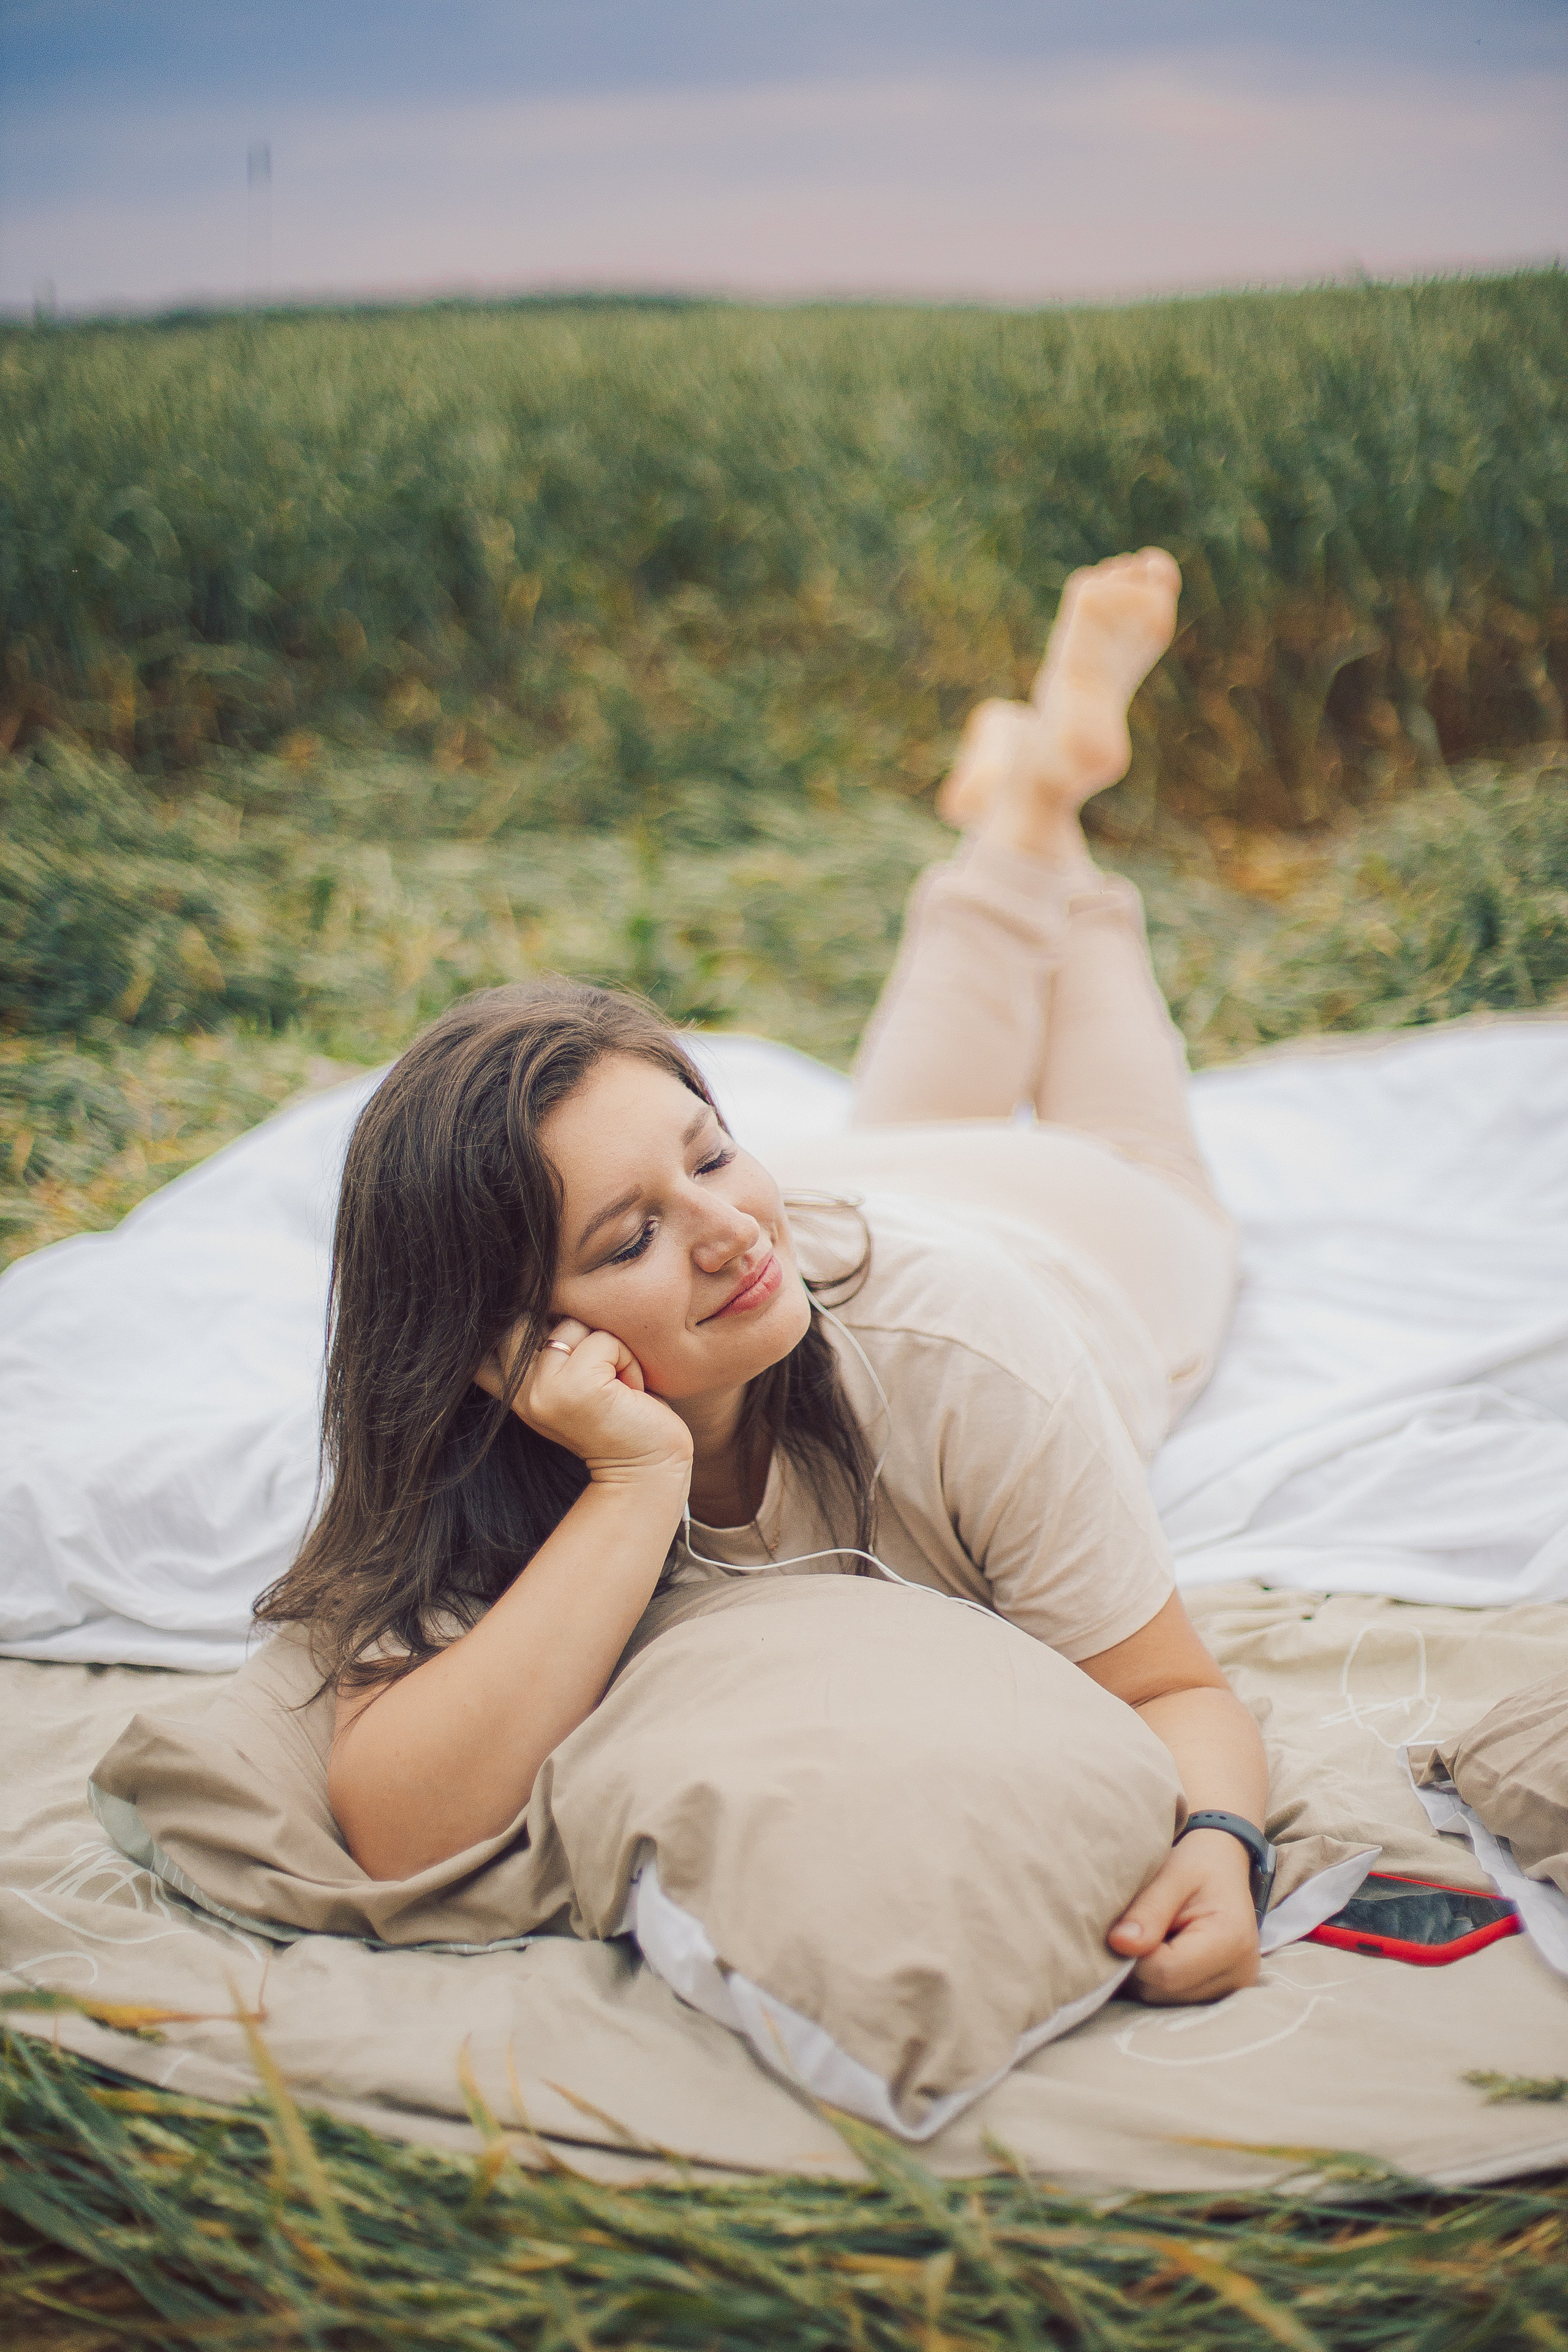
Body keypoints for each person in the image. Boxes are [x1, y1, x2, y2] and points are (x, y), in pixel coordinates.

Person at [256, 548, 1268, 2005]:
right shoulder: (494, 1448)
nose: (726, 1228)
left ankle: (1050, 813)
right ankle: (1022, 796)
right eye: (628, 1236)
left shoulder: (956, 1347)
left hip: (1078, 1237)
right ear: (498, 1349)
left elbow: (1174, 1690)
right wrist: (625, 1484)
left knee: (1123, 1102)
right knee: (894, 1123)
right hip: (875, 1193)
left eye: (709, 1152)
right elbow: (405, 1819)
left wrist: (1223, 1840)